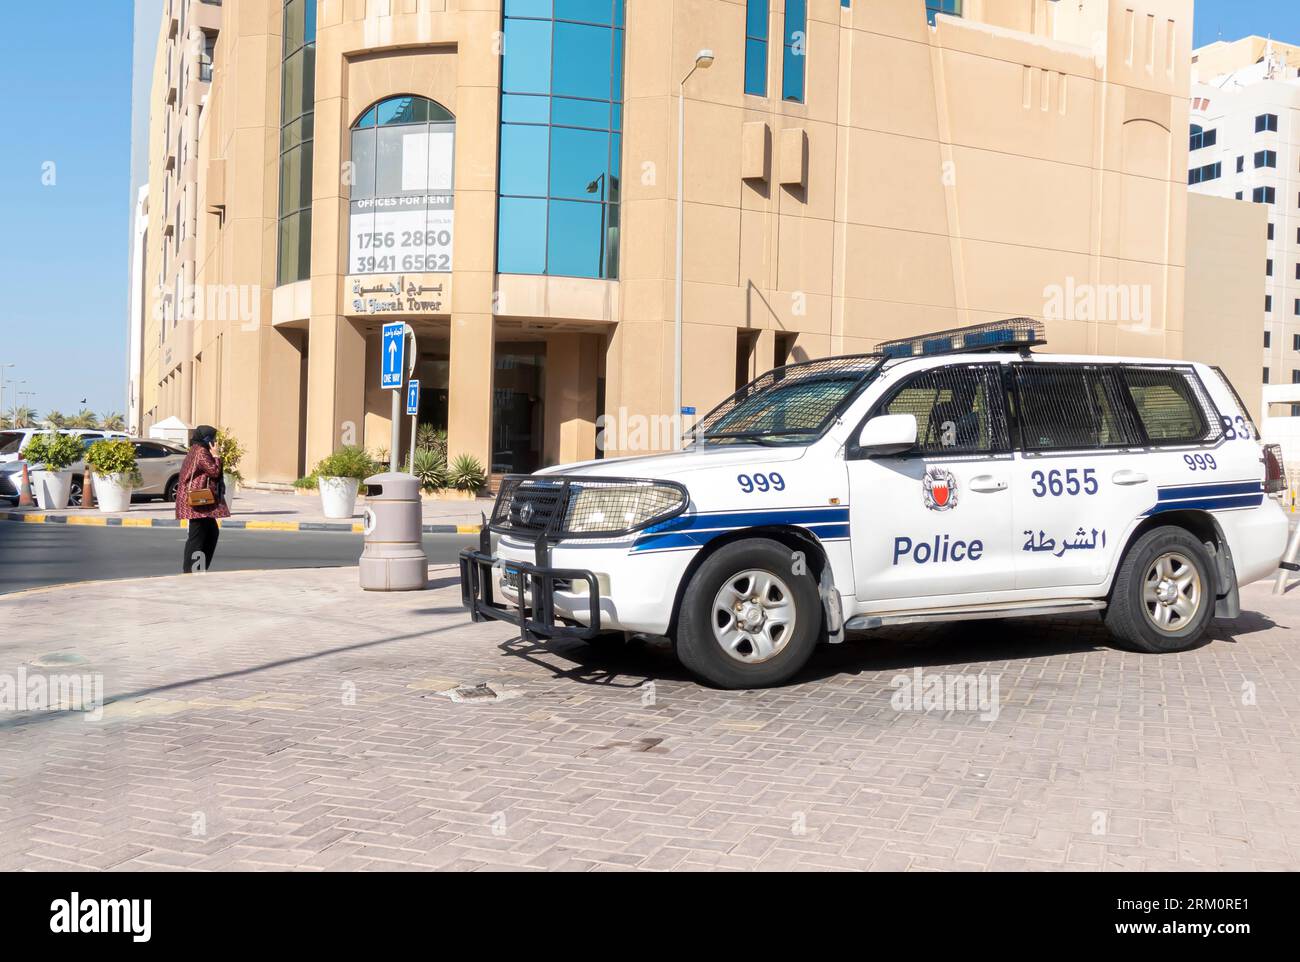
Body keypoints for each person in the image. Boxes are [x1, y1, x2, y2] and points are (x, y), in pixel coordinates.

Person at [176, 425, 230, 573]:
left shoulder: (196, 449)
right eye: (212, 438)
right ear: (207, 439)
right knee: (197, 537)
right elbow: (214, 471)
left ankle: (199, 568)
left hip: (199, 500)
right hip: (198, 499)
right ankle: (191, 571)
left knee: (211, 533)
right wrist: (217, 455)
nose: (215, 441)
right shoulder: (201, 452)